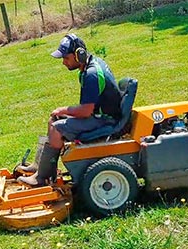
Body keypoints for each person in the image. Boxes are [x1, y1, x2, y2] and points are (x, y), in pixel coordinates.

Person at [17, 33, 122, 187]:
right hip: (100, 114)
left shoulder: (92, 75)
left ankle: (43, 178)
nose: (64, 63)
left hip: (105, 120)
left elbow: (86, 111)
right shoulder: (90, 65)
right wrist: (62, 113)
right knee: (53, 119)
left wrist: (64, 109)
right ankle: (39, 166)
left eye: (66, 58)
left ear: (79, 55)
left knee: (56, 128)